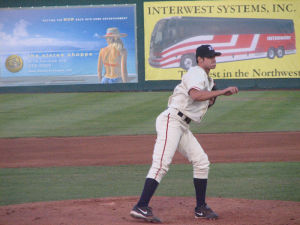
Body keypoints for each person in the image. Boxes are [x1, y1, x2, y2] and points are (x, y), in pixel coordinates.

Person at [130, 45, 239, 223]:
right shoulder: (196, 72)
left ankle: (200, 208)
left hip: (182, 125)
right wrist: (221, 92)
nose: (213, 59)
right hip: (171, 121)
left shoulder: (208, 80)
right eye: (209, 57)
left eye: (214, 56)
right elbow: (195, 95)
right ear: (200, 59)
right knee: (161, 164)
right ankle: (141, 206)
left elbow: (203, 102)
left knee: (202, 162)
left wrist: (214, 95)